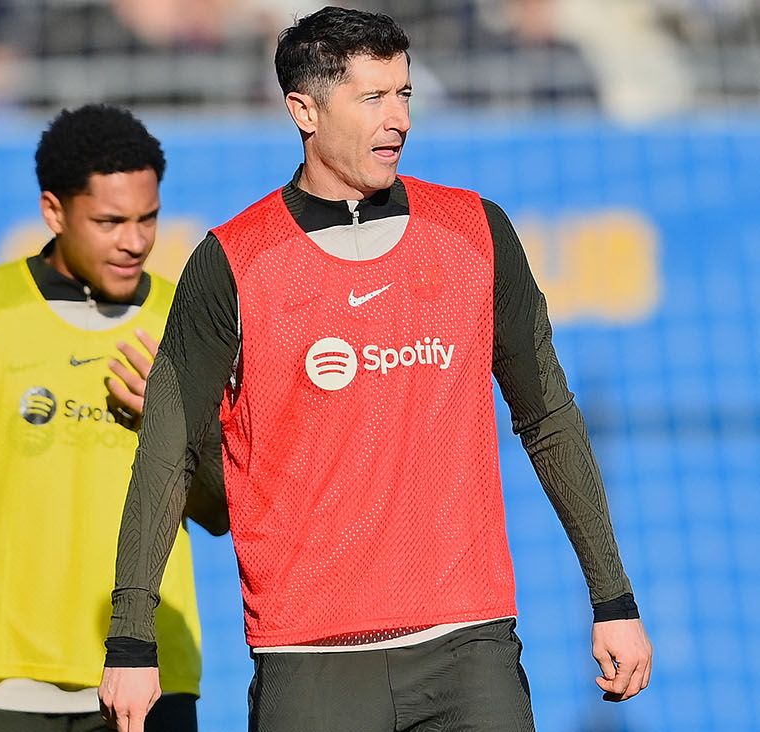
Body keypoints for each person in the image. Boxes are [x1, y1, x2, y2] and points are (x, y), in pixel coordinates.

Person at [98, 7, 653, 732]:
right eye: (372, 98)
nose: (398, 120)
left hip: (470, 653)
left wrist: (613, 601)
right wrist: (132, 641)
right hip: (308, 662)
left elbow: (548, 419)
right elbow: (165, 456)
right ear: (303, 108)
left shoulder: (475, 232)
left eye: (405, 94)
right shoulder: (233, 262)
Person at [0, 104, 228, 732]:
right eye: (109, 221)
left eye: (148, 219)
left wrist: (170, 431)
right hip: (1, 679)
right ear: (54, 211)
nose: (134, 241)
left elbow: (220, 512)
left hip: (147, 672)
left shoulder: (182, 320)